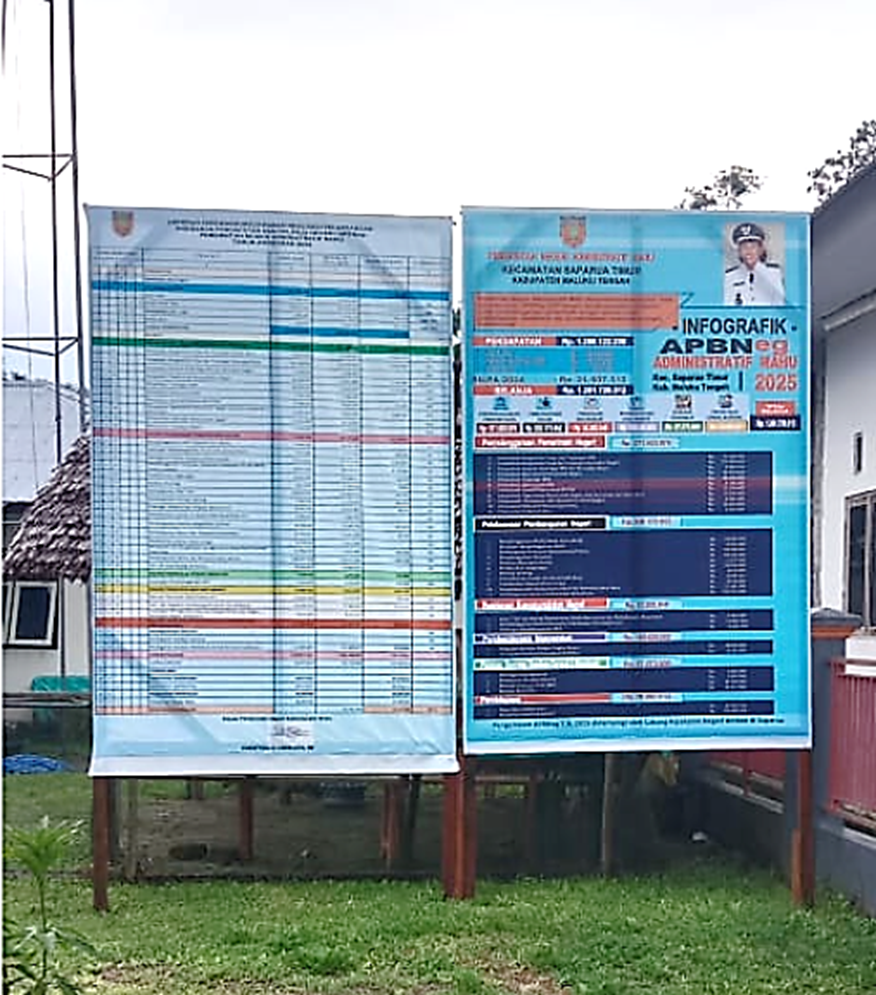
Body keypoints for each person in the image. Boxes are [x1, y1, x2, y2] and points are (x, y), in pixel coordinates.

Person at [723, 222, 785, 306]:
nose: (749, 252)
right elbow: (727, 305)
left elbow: (780, 305)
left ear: (761, 250)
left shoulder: (774, 274)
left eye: (753, 247)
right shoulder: (730, 276)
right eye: (744, 247)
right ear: (739, 251)